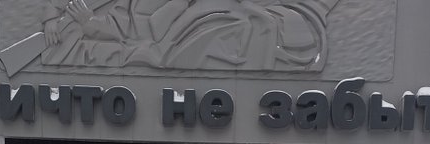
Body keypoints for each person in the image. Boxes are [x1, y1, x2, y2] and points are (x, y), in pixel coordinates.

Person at [41, 0, 340, 71]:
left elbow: (145, 31)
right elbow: (140, 25)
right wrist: (58, 15)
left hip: (234, 32)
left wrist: (91, 24)